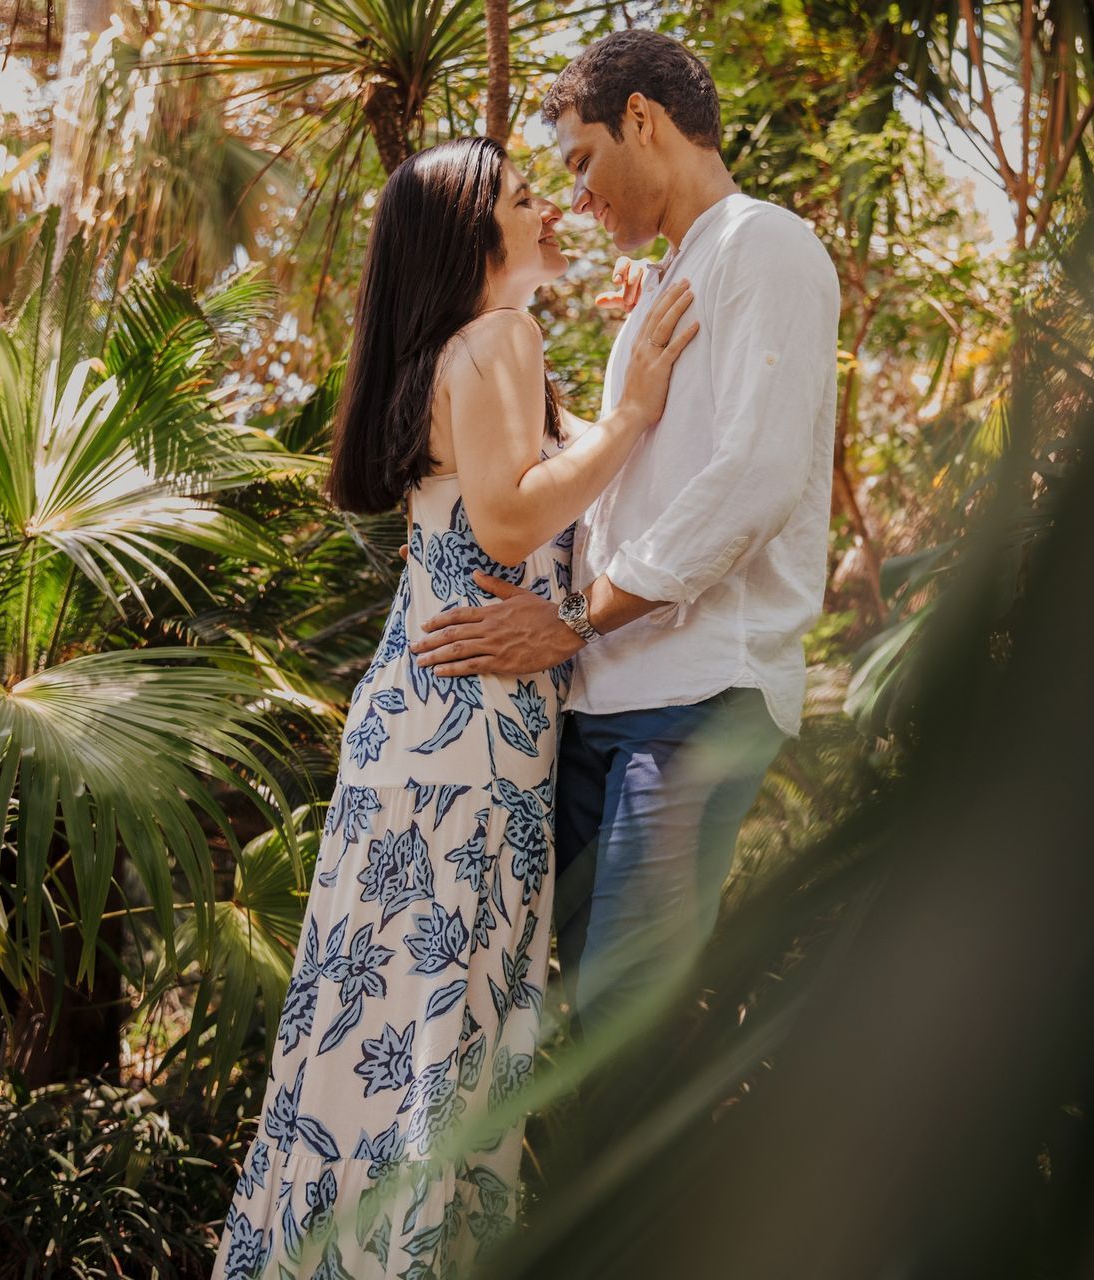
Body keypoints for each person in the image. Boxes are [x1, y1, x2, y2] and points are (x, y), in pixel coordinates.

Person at [214, 137, 698, 1280]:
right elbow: (513, 523)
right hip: (468, 739)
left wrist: (626, 370)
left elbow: (553, 481)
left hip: (421, 727)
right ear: (475, 235)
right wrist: (631, 413)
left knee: (365, 1028)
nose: (554, 212)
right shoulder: (502, 336)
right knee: (443, 1039)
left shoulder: (461, 352)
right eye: (531, 201)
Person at [410, 31, 841, 1040]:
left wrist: (572, 620)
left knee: (619, 1022)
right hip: (602, 695)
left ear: (642, 120)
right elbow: (622, 488)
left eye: (582, 162)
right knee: (543, 1007)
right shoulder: (664, 281)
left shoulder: (763, 243)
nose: (578, 198)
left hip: (693, 700)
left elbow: (754, 478)